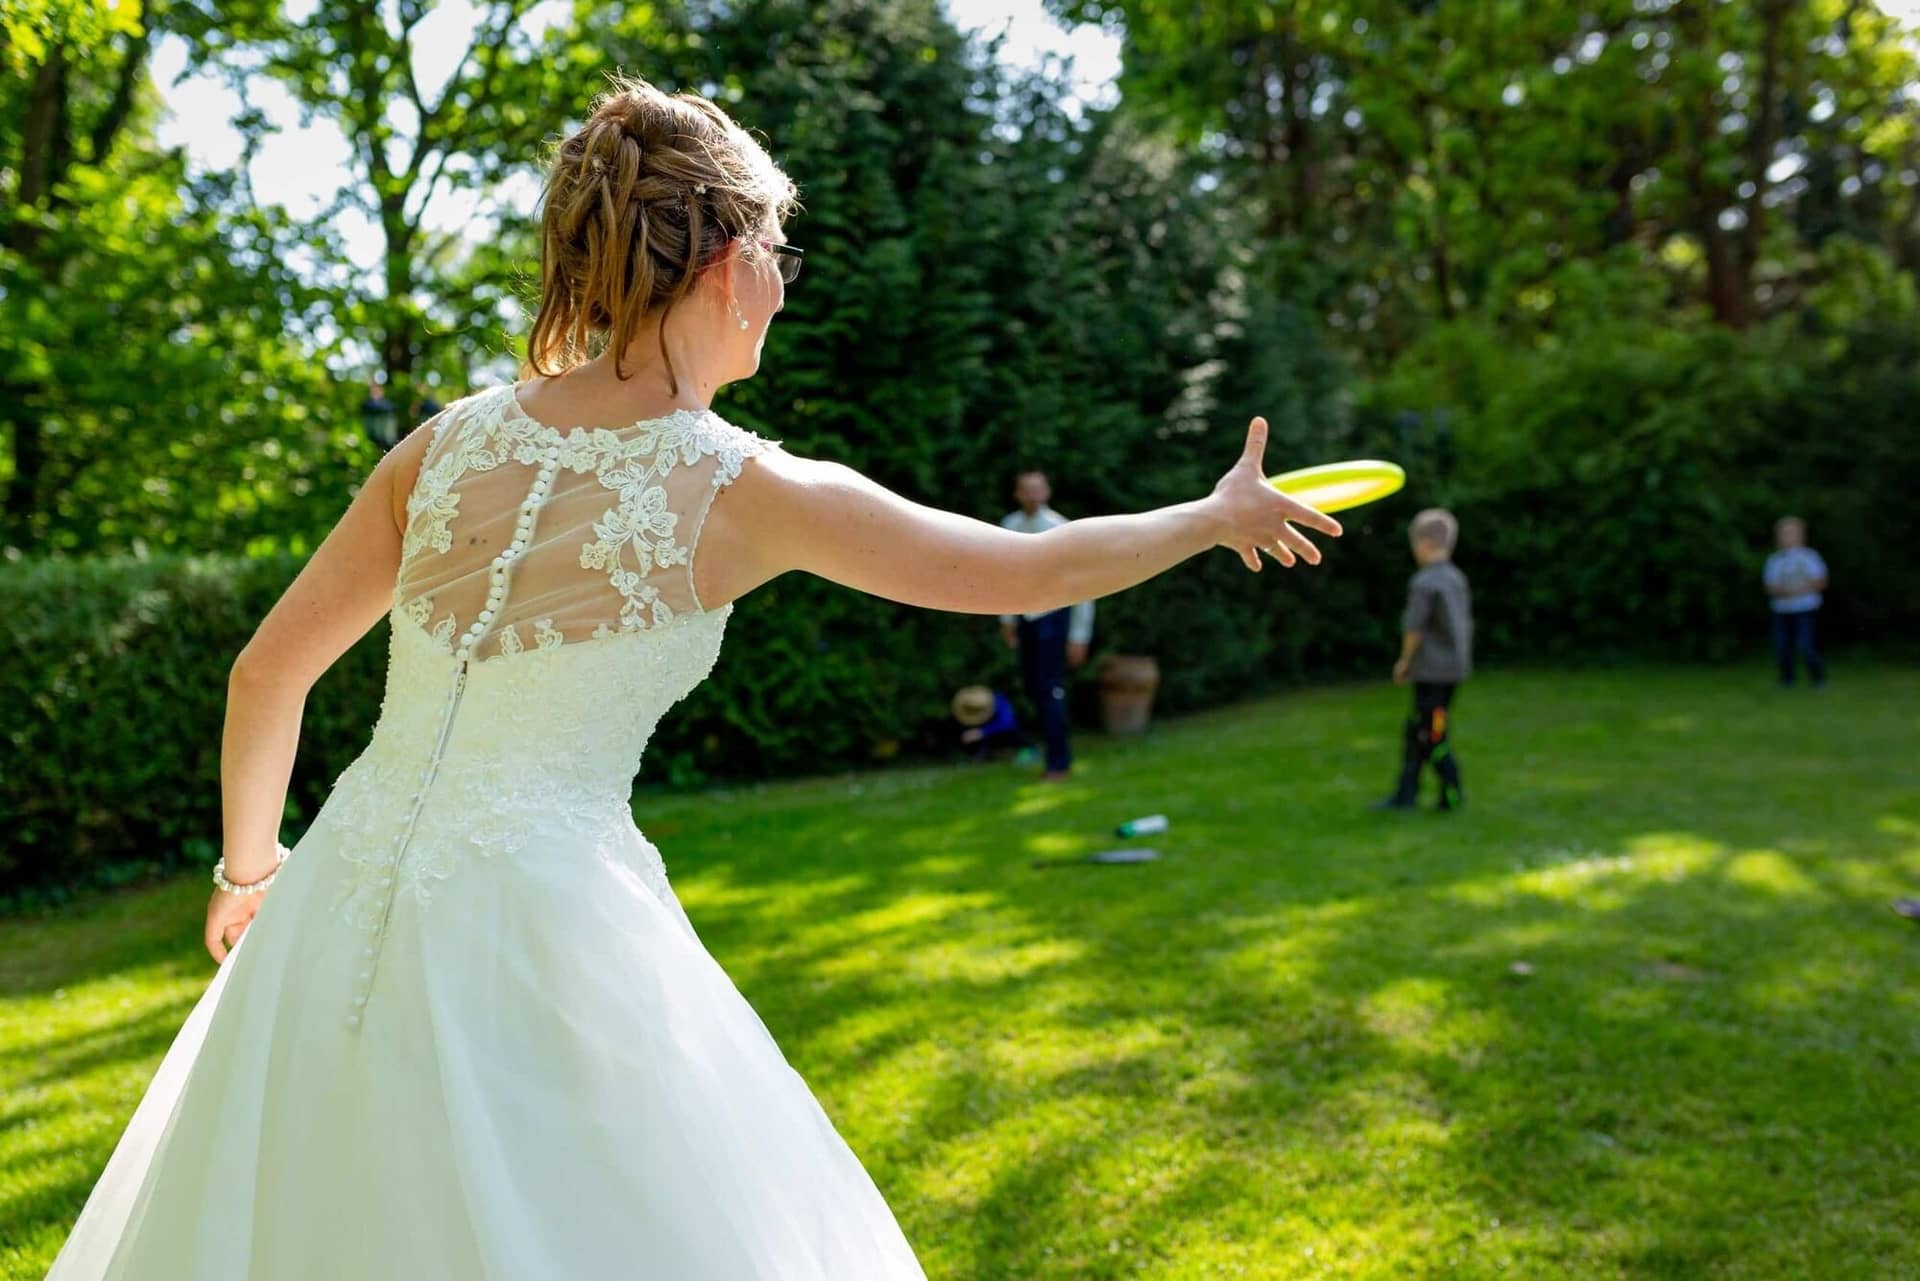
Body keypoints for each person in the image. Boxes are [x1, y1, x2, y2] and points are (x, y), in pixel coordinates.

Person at [42, 75, 1341, 1281]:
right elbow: (1015, 573)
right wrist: (1205, 516)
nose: (783, 287)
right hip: (546, 932)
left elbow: (267, 672)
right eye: (777, 255)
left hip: (335, 908)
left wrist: (250, 873)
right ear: (727, 266)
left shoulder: (436, 451)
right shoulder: (740, 488)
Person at [998, 469, 1095, 780]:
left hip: (1052, 618)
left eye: (1037, 489)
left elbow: (1081, 586)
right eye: (1026, 489)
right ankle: (1045, 750)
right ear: (1017, 494)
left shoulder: (1060, 528)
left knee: (1050, 688)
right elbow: (1005, 576)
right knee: (1033, 687)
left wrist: (1079, 635)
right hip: (1024, 617)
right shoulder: (1009, 526)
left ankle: (1059, 762)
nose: (1032, 495)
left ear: (1047, 492)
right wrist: (1007, 619)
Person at [1373, 508, 1471, 812]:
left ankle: (1451, 791)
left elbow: (1413, 630)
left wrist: (1404, 663)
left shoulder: (1424, 582)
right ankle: (1406, 794)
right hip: (1452, 671)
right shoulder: (1455, 578)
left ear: (1425, 543)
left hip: (1431, 673)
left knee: (1431, 735)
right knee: (1417, 731)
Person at [1764, 515, 1828, 688]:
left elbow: (1820, 582)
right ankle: (1787, 680)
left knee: (1807, 646)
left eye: (1791, 534)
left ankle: (1818, 679)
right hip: (1782, 610)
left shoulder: (1810, 557)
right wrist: (1787, 592)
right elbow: (1770, 586)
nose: (1787, 538)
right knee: (1782, 647)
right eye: (1783, 534)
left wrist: (1796, 591)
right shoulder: (1775, 560)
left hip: (1805, 609)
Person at [950, 683, 1024, 759]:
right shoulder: (976, 713)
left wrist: (981, 732)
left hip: (1011, 736)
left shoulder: (999, 702)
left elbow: (1007, 724)